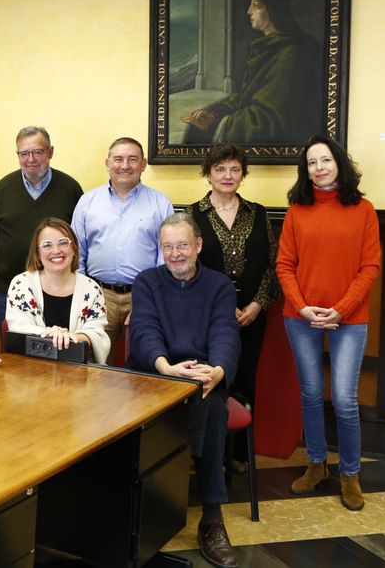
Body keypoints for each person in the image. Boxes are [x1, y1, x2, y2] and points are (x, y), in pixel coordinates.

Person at [128, 213, 240, 568]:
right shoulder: (147, 282)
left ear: (198, 246)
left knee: (212, 410)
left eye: (182, 245)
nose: (176, 254)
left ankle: (211, 517)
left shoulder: (219, 285)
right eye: (168, 246)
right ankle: (154, 505)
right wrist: (166, 367)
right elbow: (144, 331)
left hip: (204, 374)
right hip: (156, 374)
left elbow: (225, 332)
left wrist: (216, 372)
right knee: (151, 414)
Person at [277, 135, 380, 512]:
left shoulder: (363, 209)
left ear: (339, 163)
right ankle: (316, 465)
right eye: (311, 163)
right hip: (301, 318)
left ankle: (350, 474)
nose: (319, 168)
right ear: (305, 171)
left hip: (348, 318)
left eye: (325, 160)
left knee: (345, 399)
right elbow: (285, 265)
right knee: (309, 394)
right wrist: (303, 307)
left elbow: (370, 267)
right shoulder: (297, 209)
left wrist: (341, 308)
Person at [187, 144, 279, 473]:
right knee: (210, 381)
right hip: (208, 315)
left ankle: (238, 455)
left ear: (243, 174)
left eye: (235, 170)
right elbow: (187, 266)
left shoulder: (258, 213)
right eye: (220, 169)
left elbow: (272, 265)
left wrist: (257, 304)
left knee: (244, 378)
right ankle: (205, 455)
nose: (228, 176)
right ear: (208, 173)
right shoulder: (193, 215)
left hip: (252, 314)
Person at [179, 0, 320, 145]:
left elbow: (267, 119)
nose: (249, 12)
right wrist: (213, 113)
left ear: (274, 11)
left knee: (199, 134)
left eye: (256, 6)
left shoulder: (291, 54)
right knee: (196, 127)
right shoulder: (265, 48)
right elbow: (243, 97)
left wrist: (215, 123)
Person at [71, 137, 173, 361]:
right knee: (92, 363)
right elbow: (76, 254)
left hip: (143, 295)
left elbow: (164, 258)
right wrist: (84, 296)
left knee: (144, 363)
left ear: (143, 164)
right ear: (107, 163)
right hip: (98, 295)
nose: (125, 165)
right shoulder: (87, 202)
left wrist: (148, 297)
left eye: (132, 159)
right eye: (118, 159)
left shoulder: (161, 203)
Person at [0, 126, 83, 325]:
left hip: (59, 290)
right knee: (14, 350)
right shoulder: (1, 190)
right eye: (24, 153)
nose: (31, 159)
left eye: (38, 152)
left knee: (58, 346)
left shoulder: (70, 189)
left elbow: (78, 238)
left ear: (50, 152)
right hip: (10, 290)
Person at [5, 218, 110, 364]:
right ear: (37, 253)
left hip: (78, 371)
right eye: (47, 245)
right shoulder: (22, 284)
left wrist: (67, 337)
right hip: (30, 369)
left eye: (63, 242)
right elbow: (19, 328)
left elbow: (97, 333)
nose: (56, 250)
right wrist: (50, 334)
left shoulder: (91, 288)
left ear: (74, 248)